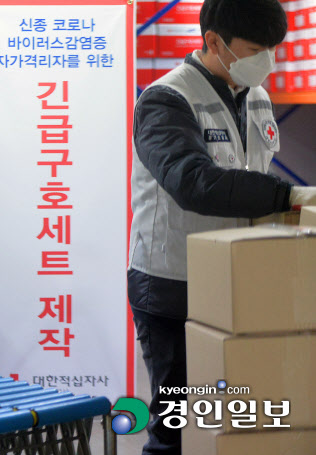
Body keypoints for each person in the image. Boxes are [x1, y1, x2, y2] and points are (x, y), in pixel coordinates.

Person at [129, 1, 316, 453]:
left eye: (272, 49)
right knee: (176, 422)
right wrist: (288, 194)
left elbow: (248, 171)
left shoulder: (257, 97)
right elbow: (193, 183)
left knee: (227, 418)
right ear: (213, 41)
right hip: (173, 285)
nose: (266, 61)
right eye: (255, 49)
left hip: (235, 280)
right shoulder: (165, 100)